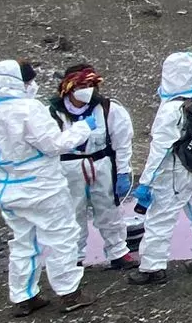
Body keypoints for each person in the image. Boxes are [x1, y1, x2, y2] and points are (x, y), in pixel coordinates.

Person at [0, 59, 95, 316]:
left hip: (7, 188)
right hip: (42, 188)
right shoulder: (29, 109)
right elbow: (53, 145)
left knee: (24, 242)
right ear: (20, 82)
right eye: (29, 80)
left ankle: (24, 296)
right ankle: (69, 293)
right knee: (62, 238)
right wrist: (82, 129)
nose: (32, 85)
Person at [129, 50, 192, 285]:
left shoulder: (171, 109)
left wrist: (146, 181)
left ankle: (152, 268)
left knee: (160, 218)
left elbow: (160, 149)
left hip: (176, 174)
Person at [50, 63, 138, 271]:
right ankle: (74, 258)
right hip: (68, 168)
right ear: (68, 88)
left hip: (101, 164)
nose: (87, 90)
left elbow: (122, 142)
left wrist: (123, 171)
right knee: (72, 213)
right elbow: (48, 145)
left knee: (109, 209)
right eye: (81, 86)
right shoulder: (53, 113)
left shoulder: (109, 109)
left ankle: (118, 252)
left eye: (90, 85)